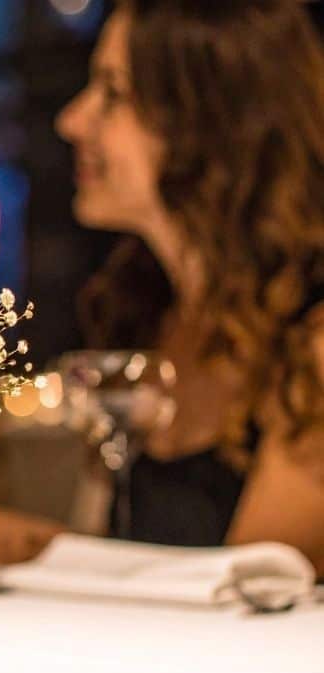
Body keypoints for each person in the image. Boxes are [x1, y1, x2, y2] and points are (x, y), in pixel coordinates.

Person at [52, 0, 324, 570]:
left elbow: (246, 593)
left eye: (113, 93)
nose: (72, 120)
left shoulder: (312, 339)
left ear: (210, 120)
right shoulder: (144, 309)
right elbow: (98, 560)